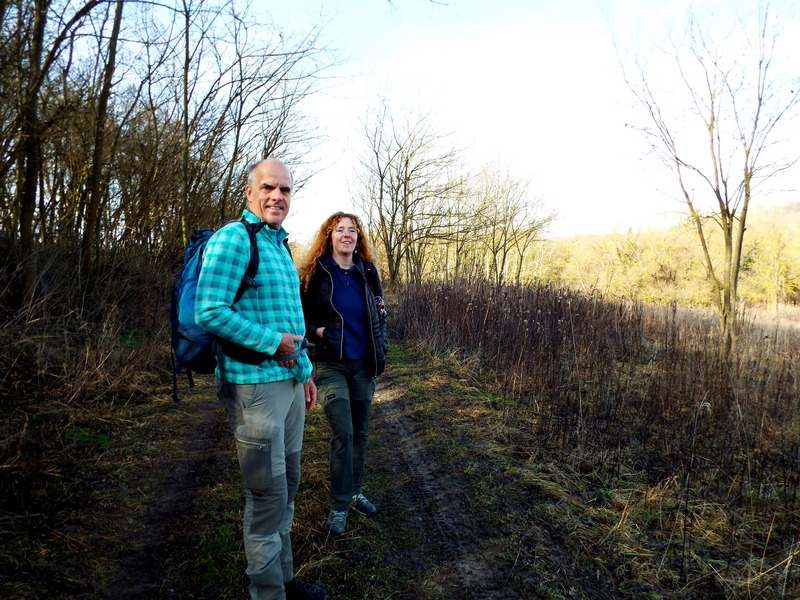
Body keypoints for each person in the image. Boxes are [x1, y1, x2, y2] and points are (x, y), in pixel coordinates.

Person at [195, 158, 327, 600]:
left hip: (289, 386)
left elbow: (291, 320)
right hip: (255, 388)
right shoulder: (234, 239)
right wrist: (273, 344)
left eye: (285, 189)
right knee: (266, 495)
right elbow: (209, 310)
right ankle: (267, 593)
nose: (277, 196)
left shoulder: (280, 244)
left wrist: (305, 374)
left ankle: (284, 579)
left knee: (287, 485)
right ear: (250, 192)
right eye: (268, 187)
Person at [298, 212, 387, 536]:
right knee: (343, 432)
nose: (347, 234)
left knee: (360, 432)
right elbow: (299, 316)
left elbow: (380, 313)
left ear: (358, 237)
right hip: (330, 364)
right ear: (329, 236)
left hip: (362, 364)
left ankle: (355, 492)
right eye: (340, 230)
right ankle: (338, 506)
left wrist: (382, 346)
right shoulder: (316, 273)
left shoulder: (367, 272)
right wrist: (318, 331)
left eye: (352, 230)